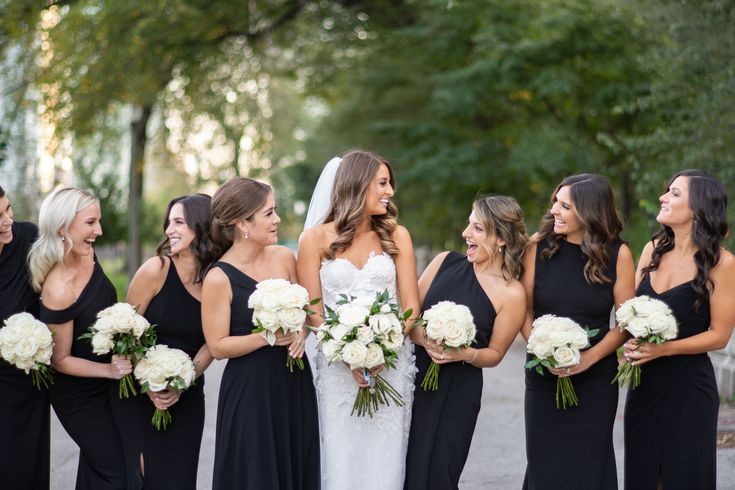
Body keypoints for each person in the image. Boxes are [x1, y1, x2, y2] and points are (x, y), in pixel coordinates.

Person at [297, 150, 420, 490]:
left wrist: (383, 348)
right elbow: (314, 313)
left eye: (389, 183)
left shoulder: (398, 236)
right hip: (337, 368)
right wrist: (348, 352)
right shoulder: (315, 240)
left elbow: (410, 306)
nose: (390, 191)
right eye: (382, 183)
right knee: (340, 457)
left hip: (391, 365)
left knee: (386, 457)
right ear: (357, 185)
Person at [202, 177, 319, 489]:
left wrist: (300, 333)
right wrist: (267, 337)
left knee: (295, 464)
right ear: (243, 223)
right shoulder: (218, 278)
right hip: (250, 393)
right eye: (269, 213)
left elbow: (306, 313)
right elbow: (217, 346)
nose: (277, 219)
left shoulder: (284, 257)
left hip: (293, 383)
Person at [404, 195, 528, 490]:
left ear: (500, 238)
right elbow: (410, 319)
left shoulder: (512, 293)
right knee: (405, 464)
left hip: (459, 391)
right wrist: (428, 341)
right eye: (468, 225)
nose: (465, 234)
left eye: (477, 228)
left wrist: (463, 352)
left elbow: (495, 353)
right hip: (414, 378)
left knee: (441, 471)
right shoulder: (443, 262)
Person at [521, 174, 635, 490]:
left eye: (565, 205)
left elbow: (626, 322)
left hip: (595, 379)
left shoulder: (618, 254)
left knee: (590, 461)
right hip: (543, 373)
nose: (554, 210)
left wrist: (588, 359)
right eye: (555, 202)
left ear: (589, 211)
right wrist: (542, 350)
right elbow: (523, 310)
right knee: (545, 459)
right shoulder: (537, 247)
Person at [623, 170, 735, 490]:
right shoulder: (653, 248)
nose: (663, 198)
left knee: (685, 477)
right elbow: (629, 313)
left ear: (698, 208)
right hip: (644, 387)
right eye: (666, 191)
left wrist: (664, 348)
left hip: (689, 390)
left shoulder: (722, 263)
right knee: (643, 474)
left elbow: (720, 334)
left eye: (674, 193)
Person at [28, 186, 130, 490]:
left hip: (107, 384)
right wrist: (109, 370)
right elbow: (60, 360)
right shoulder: (58, 288)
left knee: (100, 466)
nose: (98, 230)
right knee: (117, 471)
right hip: (78, 396)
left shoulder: (87, 254)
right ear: (62, 227)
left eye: (97, 221)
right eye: (90, 223)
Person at [113, 194, 217, 489]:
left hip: (188, 396)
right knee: (148, 478)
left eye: (179, 222)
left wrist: (181, 383)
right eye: (168, 222)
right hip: (140, 395)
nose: (170, 230)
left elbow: (212, 343)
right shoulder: (156, 269)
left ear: (202, 226)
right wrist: (150, 385)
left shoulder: (216, 277)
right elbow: (126, 331)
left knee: (179, 480)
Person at [0, 184, 50, 490]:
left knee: (26, 466)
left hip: (26, 381)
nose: (7, 221)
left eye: (7, 209)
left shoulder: (29, 238)